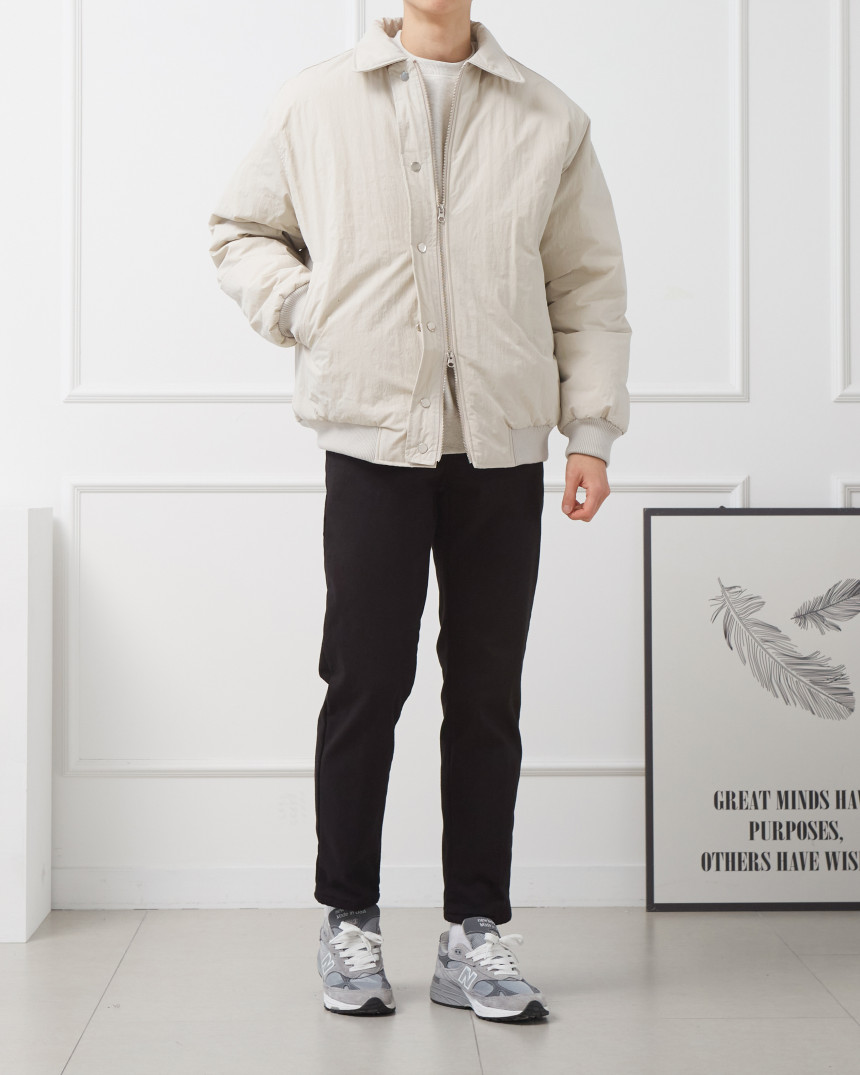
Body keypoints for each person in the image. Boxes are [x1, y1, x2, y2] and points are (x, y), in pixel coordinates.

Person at [208, 0, 631, 1024]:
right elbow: (239, 229)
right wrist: (306, 307)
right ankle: (347, 917)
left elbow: (586, 282)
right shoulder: (316, 102)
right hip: (371, 440)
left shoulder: (549, 116)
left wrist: (588, 430)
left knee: (485, 693)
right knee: (364, 682)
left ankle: (473, 932)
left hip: (500, 446)